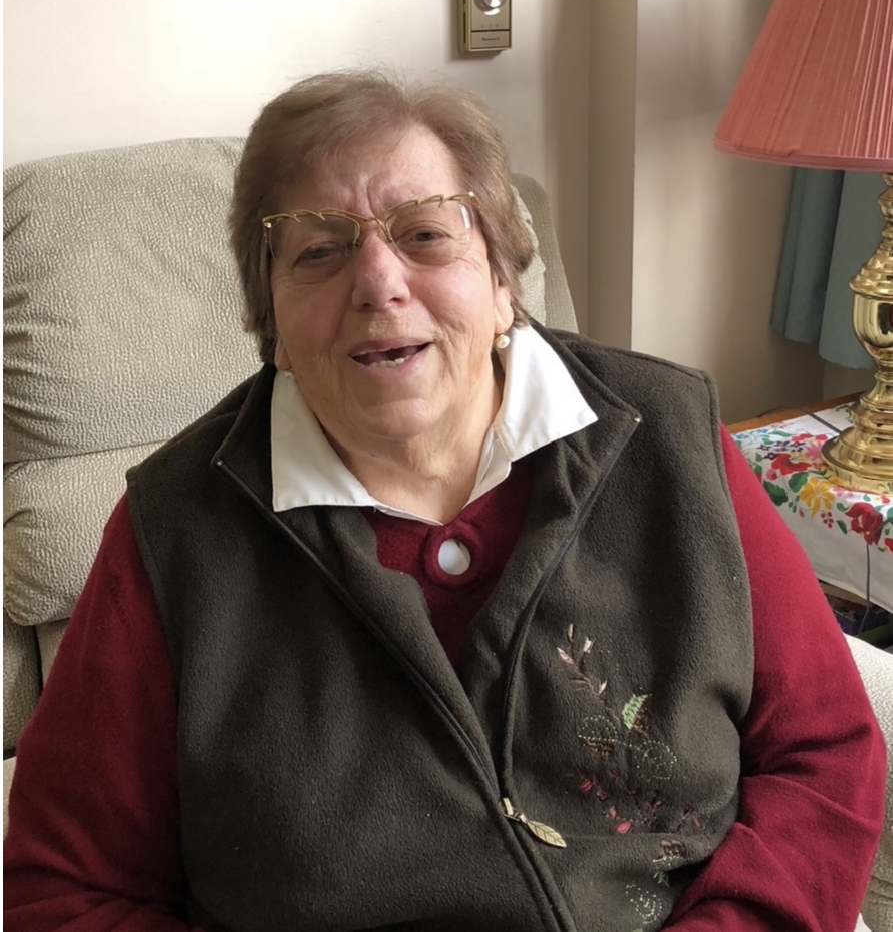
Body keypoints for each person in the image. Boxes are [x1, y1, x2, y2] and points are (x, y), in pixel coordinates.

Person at [3, 70, 885, 932]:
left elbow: (822, 750)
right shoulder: (177, 530)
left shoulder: (668, 437)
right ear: (270, 322)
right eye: (318, 250)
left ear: (502, 281)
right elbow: (62, 888)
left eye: (425, 234)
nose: (377, 282)